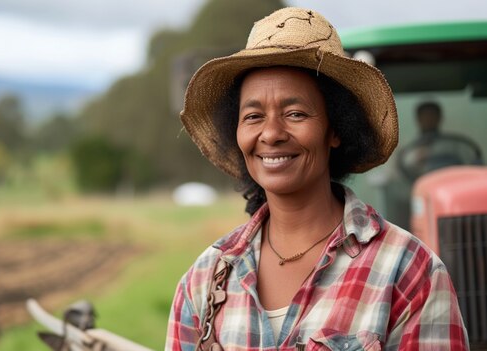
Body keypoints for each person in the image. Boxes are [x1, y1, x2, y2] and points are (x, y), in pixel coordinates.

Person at [165, 7, 469, 351]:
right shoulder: (204, 281)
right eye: (253, 116)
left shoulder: (409, 272)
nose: (272, 133)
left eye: (295, 113)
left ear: (335, 128)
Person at [397, 101, 482, 182]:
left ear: (440, 117)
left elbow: (475, 167)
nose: (429, 119)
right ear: (418, 118)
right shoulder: (408, 152)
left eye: (432, 115)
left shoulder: (456, 146)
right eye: (425, 116)